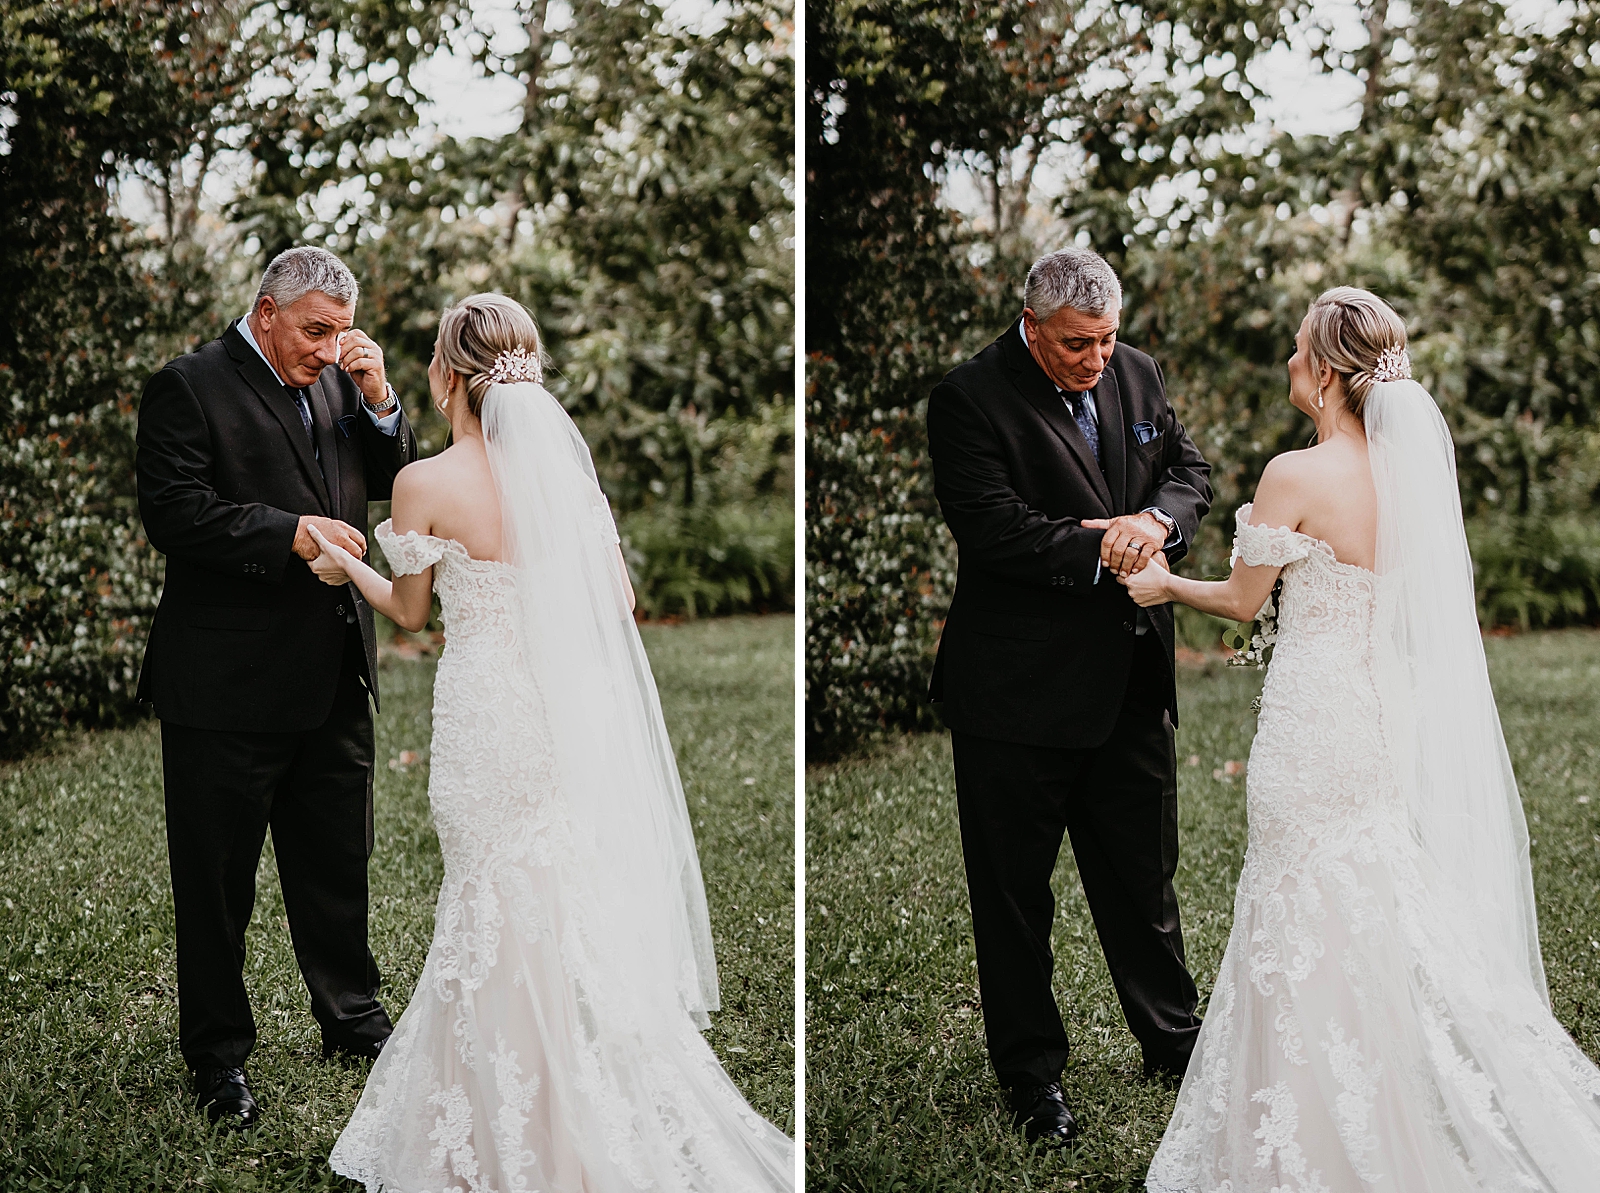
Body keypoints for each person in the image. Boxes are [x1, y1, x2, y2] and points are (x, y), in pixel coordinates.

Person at [308, 293, 795, 1191]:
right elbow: (620, 603)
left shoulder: (422, 483)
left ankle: (502, 1115)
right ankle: (573, 1097)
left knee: (483, 896)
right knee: (555, 897)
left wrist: (346, 565)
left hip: (484, 716)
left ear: (448, 376)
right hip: (557, 713)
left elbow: (409, 612)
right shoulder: (566, 480)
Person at [1131, 287, 1600, 1190]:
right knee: (1367, 898)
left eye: (1298, 348)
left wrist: (1163, 585)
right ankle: (1372, 1099)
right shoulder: (1405, 476)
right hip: (1376, 716)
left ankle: (1304, 1124)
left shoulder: (1295, 473)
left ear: (1327, 371)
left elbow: (1241, 601)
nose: (1289, 362)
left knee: (1295, 898)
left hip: (1311, 720)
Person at [925, 247, 1214, 1146]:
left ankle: (1173, 1042)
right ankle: (1032, 1076)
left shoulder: (1138, 371)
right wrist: (1106, 544)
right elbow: (993, 528)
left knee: (1144, 881)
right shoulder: (969, 397)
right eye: (1076, 344)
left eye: (1107, 339)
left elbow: (1189, 473)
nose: (1097, 359)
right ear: (1033, 324)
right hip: (1015, 695)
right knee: (1013, 897)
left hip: (1130, 678)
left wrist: (1156, 521)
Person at [134, 246, 418, 1127]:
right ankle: (218, 1057)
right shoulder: (188, 386)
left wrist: (381, 403)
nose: (329, 350)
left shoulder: (338, 381)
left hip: (333, 671)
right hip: (225, 685)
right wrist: (288, 532)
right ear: (266, 312)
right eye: (315, 331)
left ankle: (353, 1018)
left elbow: (394, 482)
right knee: (217, 884)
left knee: (336, 861)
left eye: (342, 332)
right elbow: (172, 510)